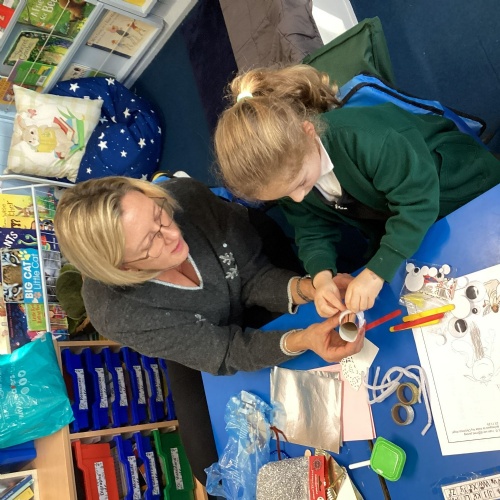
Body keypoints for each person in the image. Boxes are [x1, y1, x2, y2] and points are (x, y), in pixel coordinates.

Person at [54, 176, 364, 492]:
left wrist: (308, 289)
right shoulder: (116, 312)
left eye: (159, 214)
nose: (172, 233)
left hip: (240, 274)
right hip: (189, 329)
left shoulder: (187, 199)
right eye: (150, 242)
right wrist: (304, 339)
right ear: (124, 268)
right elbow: (227, 351)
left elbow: (253, 278)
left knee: (308, 336)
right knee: (209, 466)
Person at [214, 64, 500, 316]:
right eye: (285, 196)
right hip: (399, 222)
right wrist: (322, 278)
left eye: (301, 184)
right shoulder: (289, 177)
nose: (298, 198)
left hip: (465, 188)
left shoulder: (366, 139)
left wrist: (375, 274)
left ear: (309, 133)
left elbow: (418, 203)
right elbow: (311, 232)